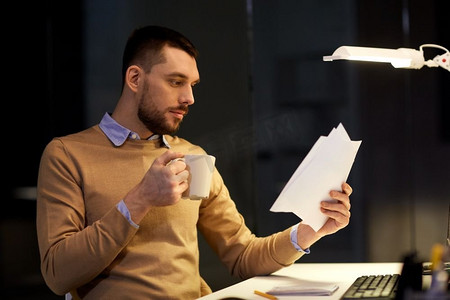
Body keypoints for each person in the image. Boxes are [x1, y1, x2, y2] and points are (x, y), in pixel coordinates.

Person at [36, 25, 353, 300]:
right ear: (135, 78)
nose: (190, 98)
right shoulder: (67, 154)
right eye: (176, 82)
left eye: (192, 85)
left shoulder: (194, 157)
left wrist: (310, 230)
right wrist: (140, 199)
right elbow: (57, 274)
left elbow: (242, 255)